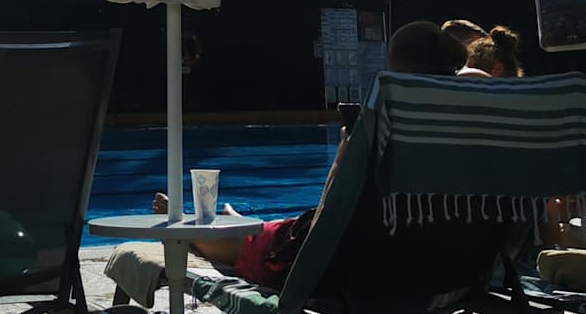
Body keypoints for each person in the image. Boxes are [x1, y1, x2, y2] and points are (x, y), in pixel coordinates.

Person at [152, 21, 467, 287]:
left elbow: (332, 208)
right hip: (438, 271)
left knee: (256, 245)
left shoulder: (378, 130)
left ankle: (187, 228)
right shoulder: (475, 134)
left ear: (395, 72)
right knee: (277, 228)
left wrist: (344, 151)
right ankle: (239, 222)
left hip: (348, 266)